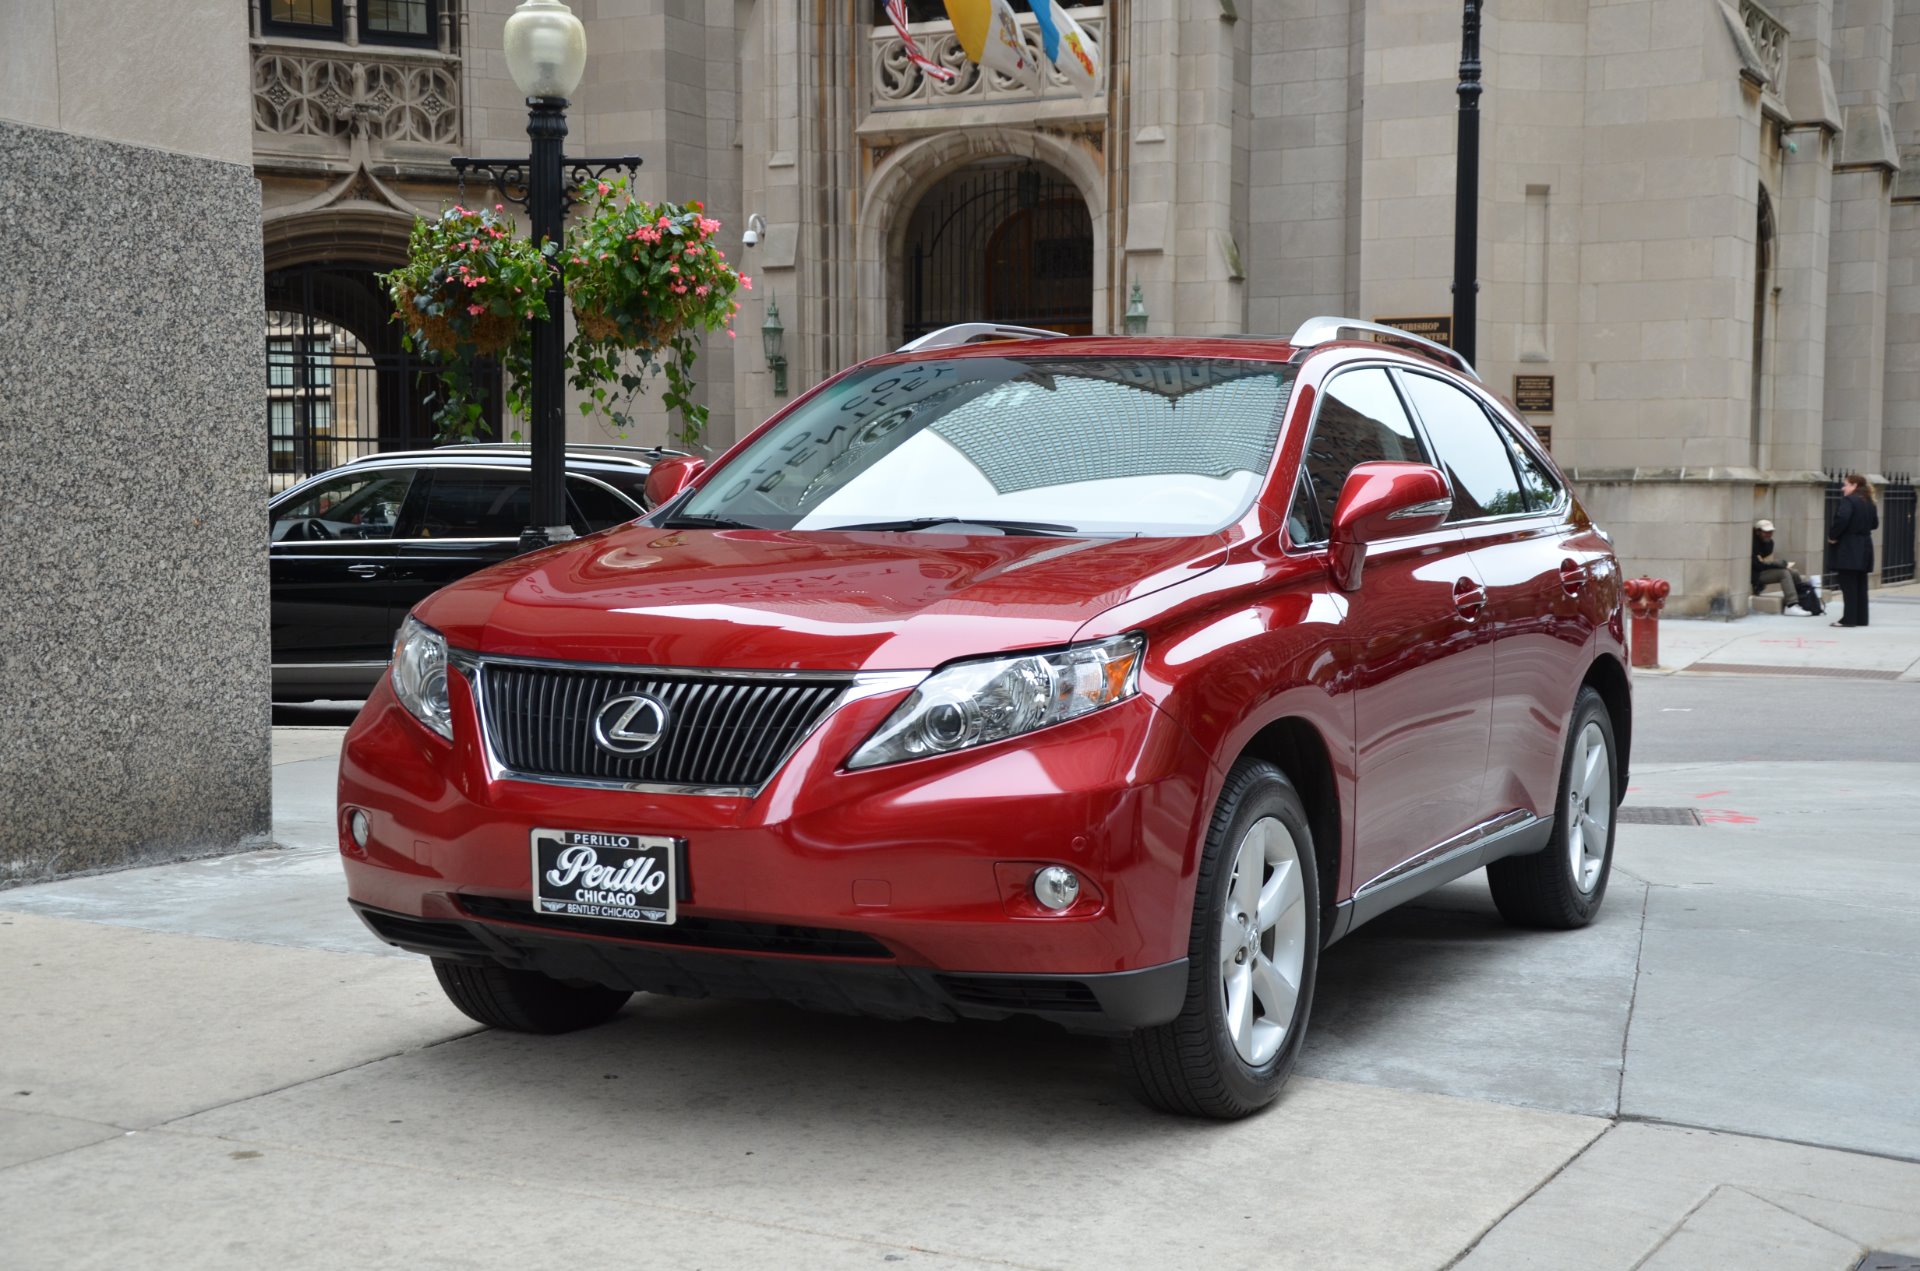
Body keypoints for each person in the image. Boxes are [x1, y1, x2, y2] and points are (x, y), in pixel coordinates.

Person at [1826, 473, 1879, 627]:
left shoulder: (1849, 501)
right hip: (1865, 546)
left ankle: (1849, 619)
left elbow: (1842, 519)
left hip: (1849, 546)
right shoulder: (1869, 502)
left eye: (1846, 484)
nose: (1843, 488)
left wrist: (1833, 536)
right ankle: (1861, 619)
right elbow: (1875, 524)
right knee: (1861, 584)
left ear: (1854, 485)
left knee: (1848, 584)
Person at [1751, 519, 1810, 613]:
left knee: (1794, 572)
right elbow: (1756, 564)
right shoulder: (1751, 543)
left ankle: (1803, 600)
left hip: (1763, 570)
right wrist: (1775, 564)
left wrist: (1775, 564)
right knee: (1784, 573)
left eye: (1770, 532)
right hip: (1754, 574)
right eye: (1765, 532)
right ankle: (1791, 605)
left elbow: (1765, 562)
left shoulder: (1769, 543)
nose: (1768, 534)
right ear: (1757, 532)